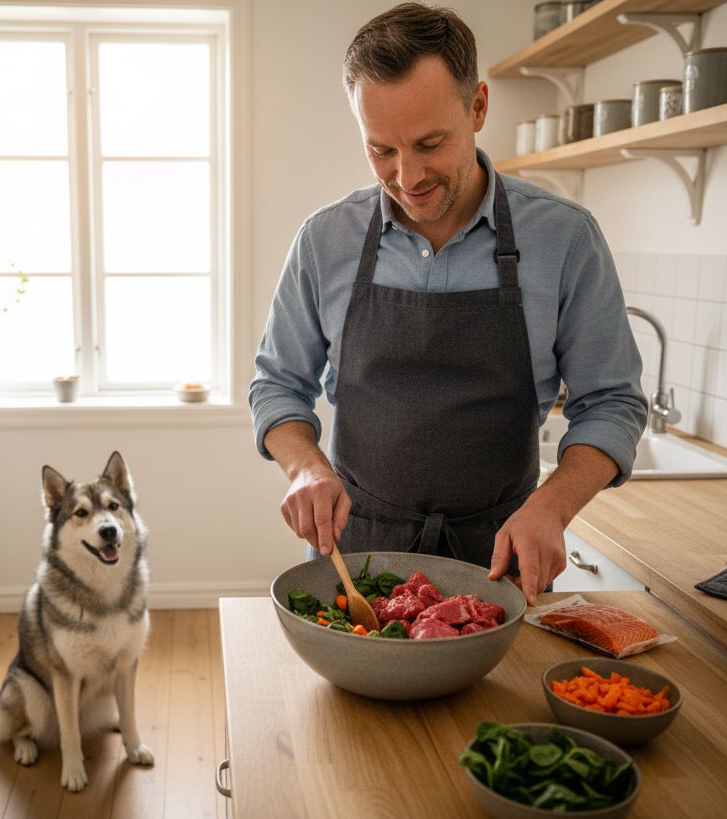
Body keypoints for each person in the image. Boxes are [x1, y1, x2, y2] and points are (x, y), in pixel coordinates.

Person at [248, 3, 648, 605]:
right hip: (355, 559)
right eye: (381, 150)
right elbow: (276, 385)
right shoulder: (324, 241)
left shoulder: (564, 239)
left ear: (479, 106)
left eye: (429, 143)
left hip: (501, 561)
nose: (407, 177)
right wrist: (306, 467)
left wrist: (553, 507)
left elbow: (612, 402)